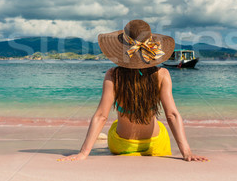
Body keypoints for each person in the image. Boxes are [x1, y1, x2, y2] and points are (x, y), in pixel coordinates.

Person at [59, 20, 208, 162]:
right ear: (150, 45)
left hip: (121, 145)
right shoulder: (162, 74)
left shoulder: (113, 74)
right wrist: (187, 152)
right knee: (160, 125)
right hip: (154, 145)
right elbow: (172, 115)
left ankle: (99, 140)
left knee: (115, 124)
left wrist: (83, 153)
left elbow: (101, 116)